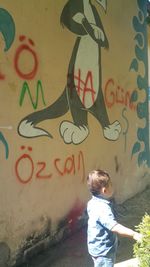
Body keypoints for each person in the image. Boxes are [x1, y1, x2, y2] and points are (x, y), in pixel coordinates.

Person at [87, 169, 142, 267]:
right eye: (111, 184)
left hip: (95, 247)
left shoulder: (92, 203)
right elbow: (115, 227)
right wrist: (133, 234)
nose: (113, 186)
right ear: (105, 190)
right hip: (103, 252)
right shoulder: (102, 209)